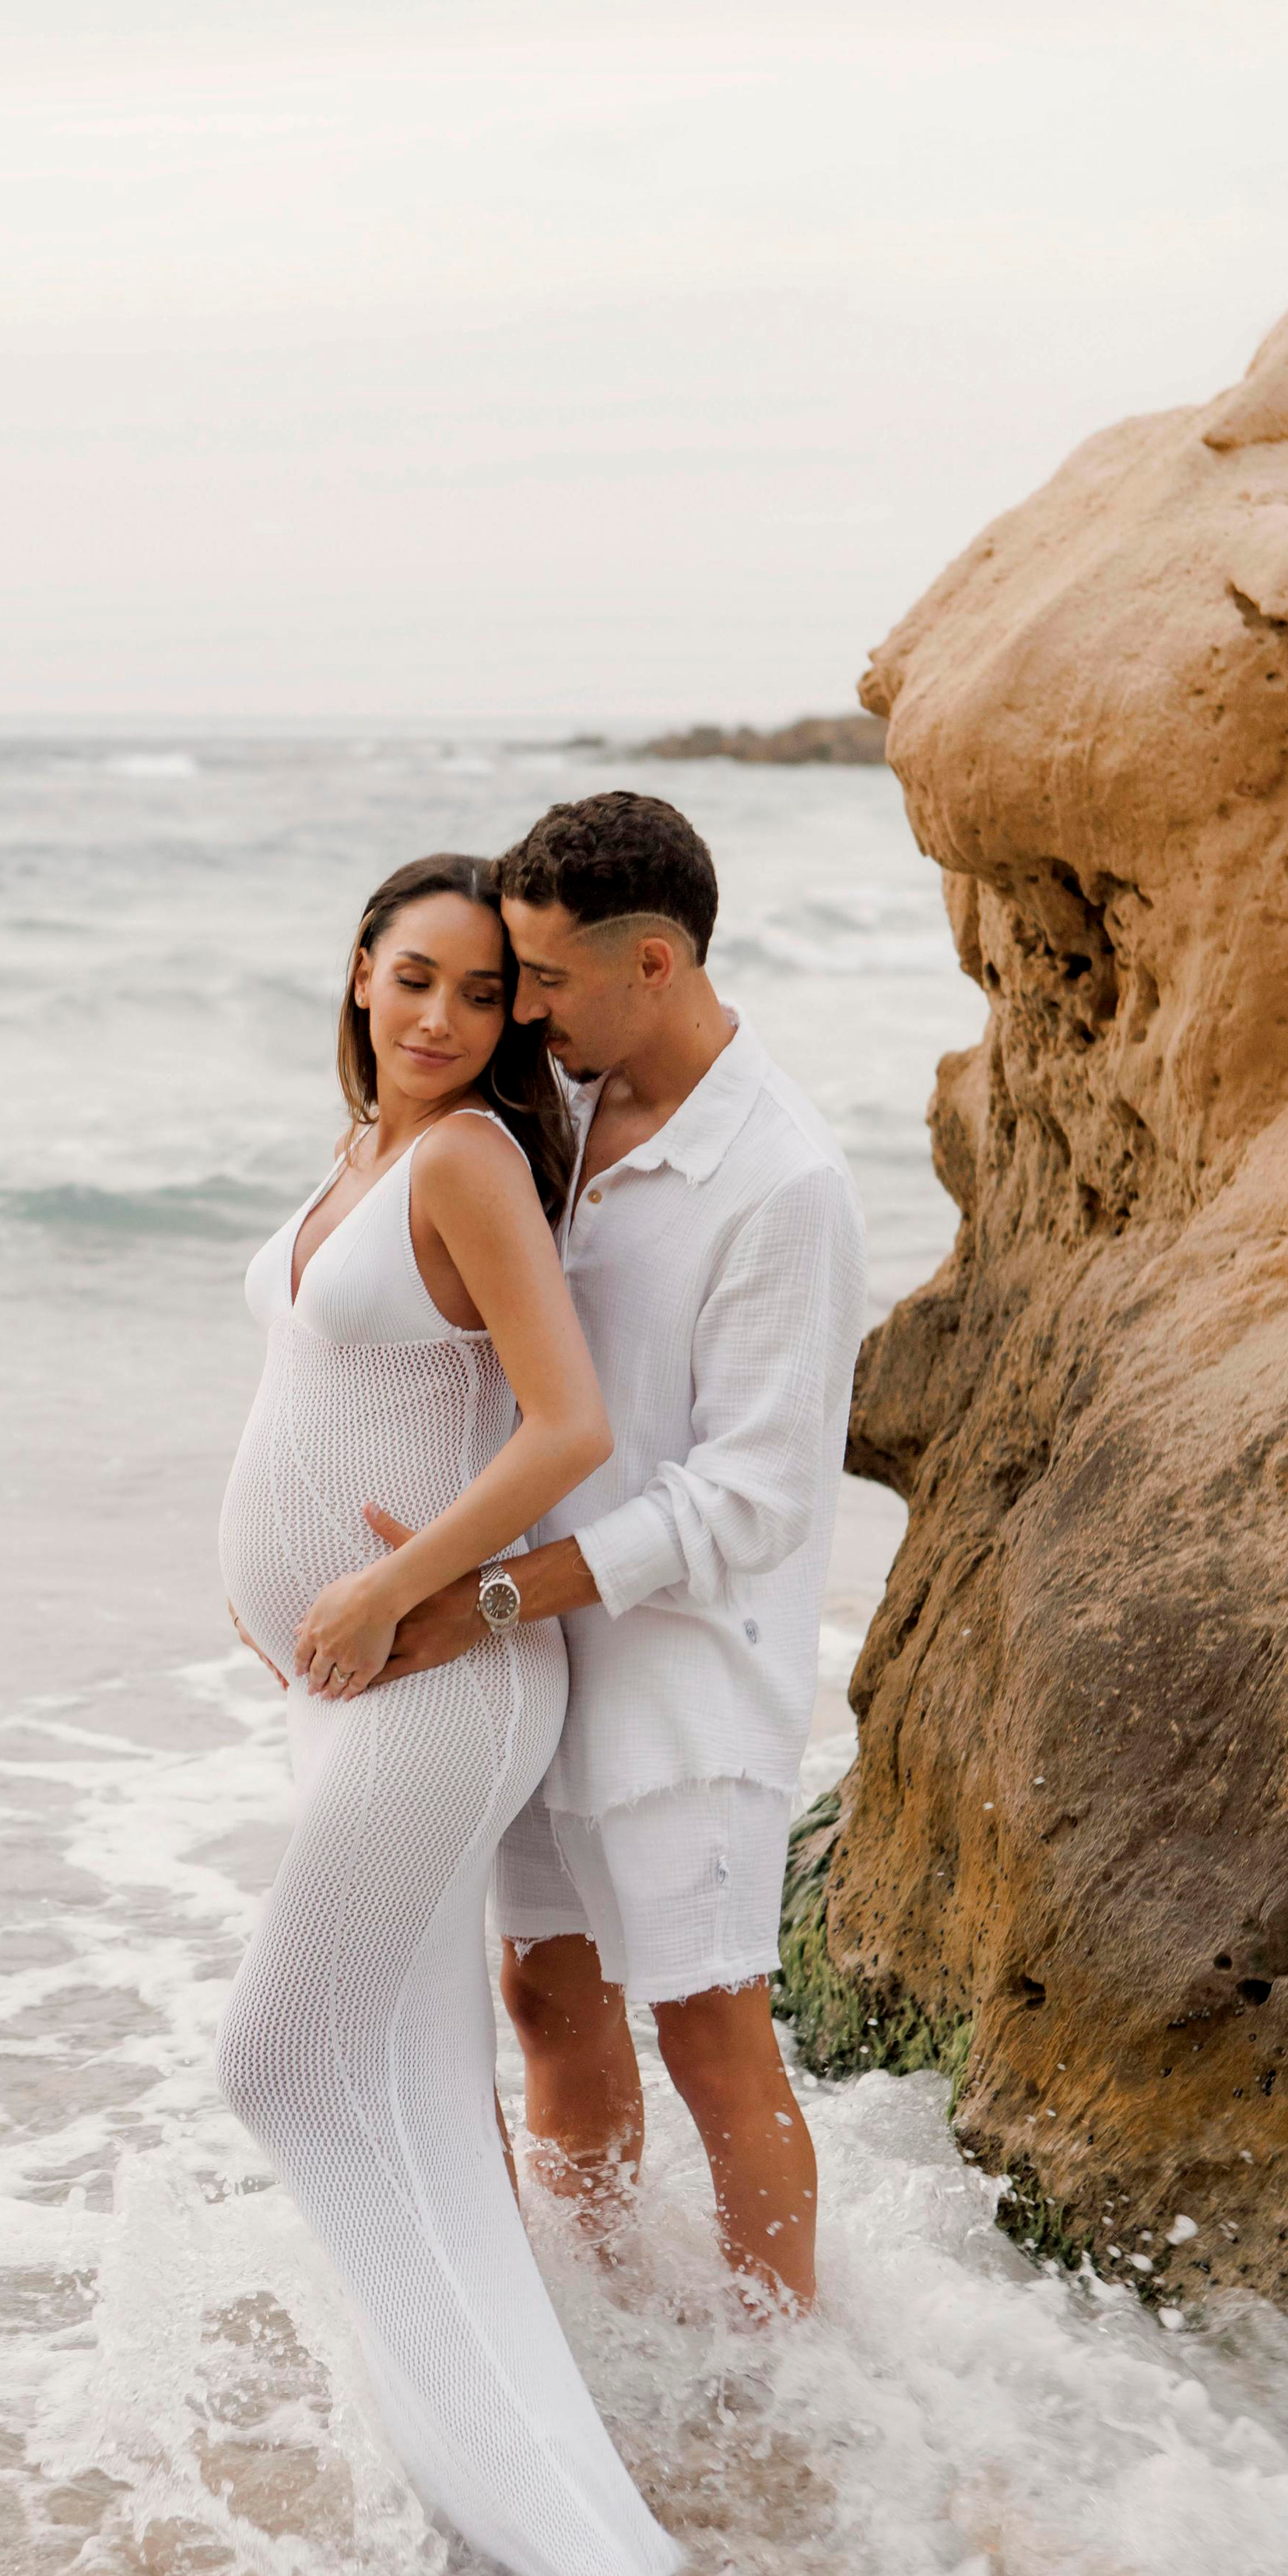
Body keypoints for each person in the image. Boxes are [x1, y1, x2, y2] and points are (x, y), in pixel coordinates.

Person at [216, 851, 679, 2576]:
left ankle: (519, 2497)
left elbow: (566, 1426)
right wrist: (274, 1593)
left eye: (484, 998)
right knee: (399, 2083)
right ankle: (505, 2498)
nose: (444, 1019)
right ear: (354, 973)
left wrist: (378, 1586)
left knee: (281, 2064)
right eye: (416, 979)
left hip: (439, 1680)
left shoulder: (471, 1158)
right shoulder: (364, 1156)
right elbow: (325, 1397)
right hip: (352, 1682)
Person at [363, 793, 868, 2311]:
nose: (519, 1008)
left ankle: (776, 2385)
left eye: (542, 979)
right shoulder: (565, 1109)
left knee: (711, 2037)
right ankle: (591, 2321)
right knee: (542, 1996)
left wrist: (490, 1592)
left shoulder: (783, 1184)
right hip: (529, 1657)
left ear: (653, 963)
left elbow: (751, 1502)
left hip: (687, 1678)